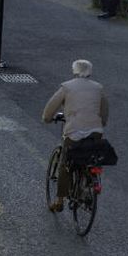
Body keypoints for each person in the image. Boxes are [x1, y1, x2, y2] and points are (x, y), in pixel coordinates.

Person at [41, 59, 109, 213]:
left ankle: (59, 201)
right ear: (89, 72)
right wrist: (101, 123)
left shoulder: (67, 87)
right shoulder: (98, 88)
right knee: (90, 160)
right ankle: (86, 186)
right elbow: (104, 112)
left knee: (66, 165)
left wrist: (47, 118)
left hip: (74, 133)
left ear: (74, 71)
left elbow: (50, 108)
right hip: (95, 132)